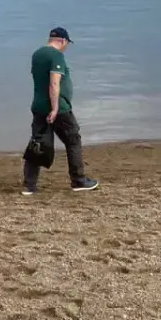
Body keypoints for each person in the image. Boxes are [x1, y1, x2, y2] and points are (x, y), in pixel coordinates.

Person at [23, 27, 99, 195]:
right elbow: (54, 83)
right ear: (63, 41)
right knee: (73, 140)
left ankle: (29, 186)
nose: (66, 47)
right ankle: (78, 180)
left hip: (38, 106)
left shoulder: (37, 54)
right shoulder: (56, 56)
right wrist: (55, 107)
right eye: (67, 43)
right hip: (59, 108)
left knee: (37, 144)